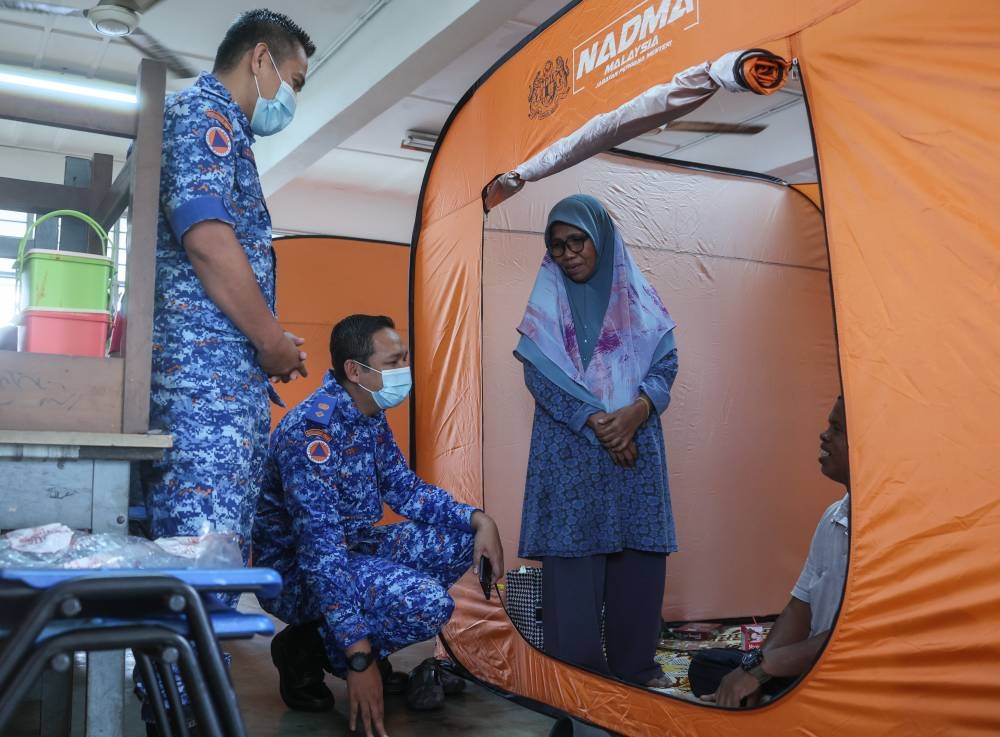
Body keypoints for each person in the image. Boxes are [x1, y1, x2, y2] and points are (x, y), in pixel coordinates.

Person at [253, 314, 505, 737]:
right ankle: (307, 648)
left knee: (461, 540)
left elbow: (402, 488)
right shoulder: (312, 432)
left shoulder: (368, 414)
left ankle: (325, 639)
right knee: (428, 604)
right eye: (395, 360)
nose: (405, 369)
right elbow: (321, 550)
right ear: (356, 370)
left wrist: (479, 518)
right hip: (297, 573)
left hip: (352, 548)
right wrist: (358, 657)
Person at [141, 9, 313, 567]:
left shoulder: (223, 131)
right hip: (201, 393)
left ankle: (190, 656)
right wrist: (269, 343)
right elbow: (208, 242)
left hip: (212, 379)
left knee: (207, 563)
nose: (292, 98)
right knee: (198, 567)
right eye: (295, 81)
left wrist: (265, 341)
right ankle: (188, 658)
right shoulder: (202, 118)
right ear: (260, 58)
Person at [515, 194, 679, 688]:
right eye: (557, 246)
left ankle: (636, 669)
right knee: (573, 571)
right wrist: (597, 420)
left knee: (637, 563)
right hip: (571, 454)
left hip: (635, 452)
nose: (568, 254)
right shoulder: (546, 307)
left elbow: (666, 365)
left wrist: (637, 410)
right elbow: (540, 377)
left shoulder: (640, 301)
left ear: (601, 239)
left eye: (577, 241)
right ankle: (576, 681)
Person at [689, 396, 850, 707]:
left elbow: (854, 638)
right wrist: (756, 665)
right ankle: (769, 701)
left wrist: (762, 669)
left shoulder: (886, 530)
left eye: (837, 428)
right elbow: (798, 610)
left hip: (851, 670)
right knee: (708, 666)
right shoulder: (833, 516)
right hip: (809, 668)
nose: (824, 435)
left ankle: (775, 703)